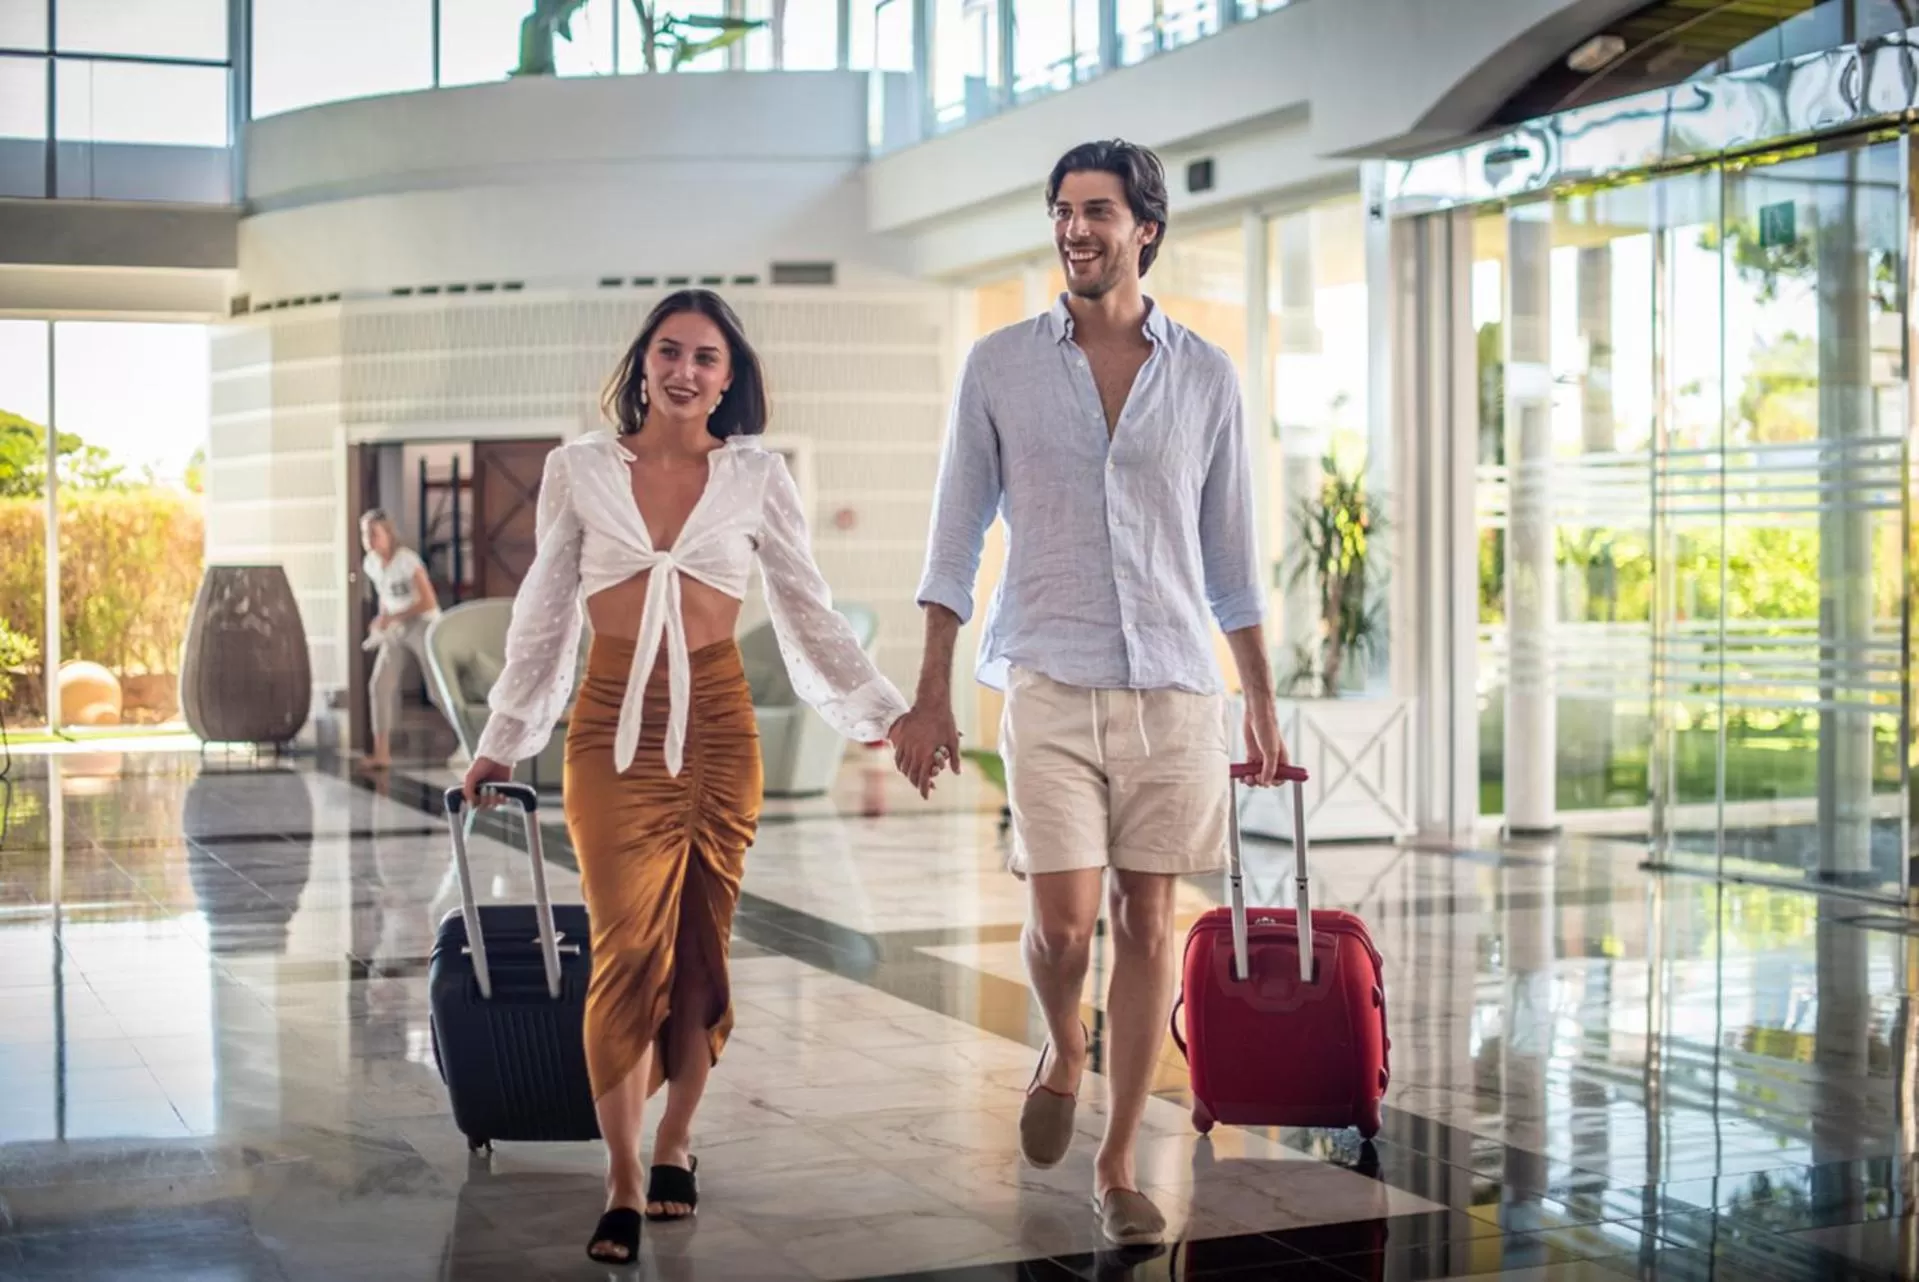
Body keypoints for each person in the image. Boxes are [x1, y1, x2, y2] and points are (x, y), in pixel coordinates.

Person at [460, 289, 908, 1266]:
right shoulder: (578, 468)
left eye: (706, 357)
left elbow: (806, 609)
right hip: (610, 728)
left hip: (717, 725)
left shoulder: (756, 476)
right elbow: (542, 613)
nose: (686, 370)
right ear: (643, 361)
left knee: (701, 953)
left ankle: (674, 1144)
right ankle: (620, 1178)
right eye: (669, 351)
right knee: (624, 948)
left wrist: (879, 712)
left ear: (728, 376)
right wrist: (503, 737)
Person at [891, 139, 1286, 1247]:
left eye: (1097, 211)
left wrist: (1255, 697)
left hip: (1173, 691)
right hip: (1051, 682)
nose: (1075, 228)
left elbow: (1230, 558)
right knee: (1063, 927)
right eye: (1062, 209)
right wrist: (929, 695)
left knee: (1146, 914)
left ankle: (1116, 1164)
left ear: (1144, 229)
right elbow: (952, 539)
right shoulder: (998, 365)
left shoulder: (1204, 375)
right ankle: (1063, 1042)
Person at [360, 509, 443, 769]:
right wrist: (382, 618)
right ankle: (381, 753)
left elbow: (428, 601)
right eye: (364, 534)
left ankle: (474, 745)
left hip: (423, 623)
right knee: (379, 685)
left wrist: (396, 617)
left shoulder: (407, 560)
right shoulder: (371, 564)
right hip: (397, 625)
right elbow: (386, 597)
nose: (369, 540)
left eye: (374, 533)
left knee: (437, 690)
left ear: (388, 534)